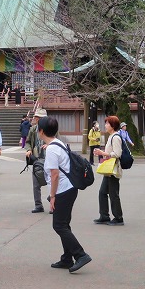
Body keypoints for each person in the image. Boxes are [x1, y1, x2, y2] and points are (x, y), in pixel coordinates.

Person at [39, 116, 92, 273]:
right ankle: (67, 258)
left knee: (59, 225)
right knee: (64, 224)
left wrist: (52, 196)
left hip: (63, 190)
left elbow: (54, 174)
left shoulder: (52, 150)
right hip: (70, 188)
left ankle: (80, 254)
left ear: (41, 131)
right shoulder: (58, 144)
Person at [93, 116, 125, 226]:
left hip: (113, 170)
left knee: (113, 194)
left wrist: (103, 153)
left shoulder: (115, 137)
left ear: (112, 125)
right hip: (109, 170)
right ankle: (104, 216)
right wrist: (101, 152)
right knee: (102, 193)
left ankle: (118, 218)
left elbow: (117, 154)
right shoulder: (111, 136)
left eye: (107, 124)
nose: (105, 125)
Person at [25, 108, 49, 213]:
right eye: (36, 117)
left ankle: (54, 203)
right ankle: (38, 205)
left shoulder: (51, 129)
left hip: (49, 159)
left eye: (38, 117)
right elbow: (28, 142)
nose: (35, 119)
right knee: (36, 184)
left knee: (52, 182)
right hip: (37, 159)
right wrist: (29, 149)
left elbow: (58, 141)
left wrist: (49, 145)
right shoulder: (33, 129)